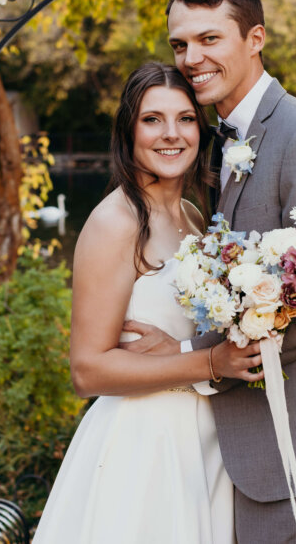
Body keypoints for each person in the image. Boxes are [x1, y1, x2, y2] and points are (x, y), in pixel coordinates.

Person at [122, 0, 296, 543]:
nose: (190, 57)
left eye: (210, 39)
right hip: (236, 440)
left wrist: (189, 356)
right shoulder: (216, 137)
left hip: (293, 440)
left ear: (255, 38)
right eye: (179, 44)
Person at [33, 62, 261, 543]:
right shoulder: (115, 222)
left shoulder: (195, 217)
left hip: (204, 442)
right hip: (143, 447)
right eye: (152, 119)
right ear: (128, 131)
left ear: (201, 130)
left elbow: (189, 339)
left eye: (184, 118)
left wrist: (192, 352)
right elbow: (87, 371)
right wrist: (211, 361)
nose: (171, 134)